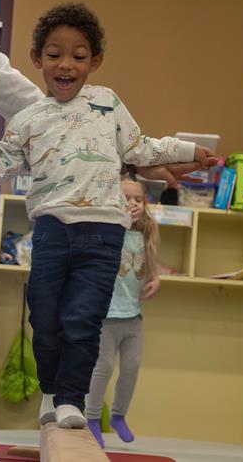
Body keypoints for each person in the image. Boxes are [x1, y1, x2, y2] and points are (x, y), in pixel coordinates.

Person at [0, 2, 217, 430]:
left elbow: (139, 148)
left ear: (95, 61)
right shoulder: (28, 118)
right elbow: (2, 162)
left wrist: (188, 152)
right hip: (51, 232)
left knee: (83, 320)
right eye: (54, 55)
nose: (66, 64)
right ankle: (51, 390)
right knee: (44, 317)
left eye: (79, 56)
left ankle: (71, 398)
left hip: (104, 235)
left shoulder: (106, 103)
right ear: (37, 60)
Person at [82, 176, 159, 446]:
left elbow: (149, 264)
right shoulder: (108, 231)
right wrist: (121, 217)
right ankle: (92, 417)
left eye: (138, 199)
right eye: (126, 199)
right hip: (106, 316)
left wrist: (155, 278)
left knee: (131, 367)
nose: (133, 204)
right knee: (101, 367)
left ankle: (118, 416)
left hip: (133, 317)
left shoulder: (146, 232)